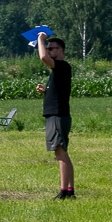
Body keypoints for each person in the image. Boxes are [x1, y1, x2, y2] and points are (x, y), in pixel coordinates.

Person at [35, 33, 76, 199]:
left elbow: (43, 57)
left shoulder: (62, 66)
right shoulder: (59, 70)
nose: (49, 50)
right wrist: (46, 90)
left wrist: (41, 40)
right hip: (57, 115)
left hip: (57, 116)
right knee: (62, 152)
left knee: (60, 153)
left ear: (61, 50)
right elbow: (60, 91)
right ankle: (70, 190)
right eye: (48, 47)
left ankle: (64, 192)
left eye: (52, 48)